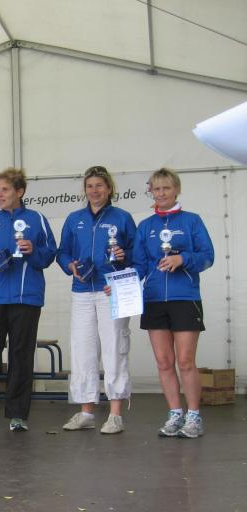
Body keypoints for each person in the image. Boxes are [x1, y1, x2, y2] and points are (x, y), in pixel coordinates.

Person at [0, 168, 56, 433]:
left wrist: (33, 250)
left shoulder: (37, 219)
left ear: (20, 191)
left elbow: (50, 254)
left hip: (27, 298)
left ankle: (18, 415)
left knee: (21, 354)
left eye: (4, 189)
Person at [133, 168, 214, 439]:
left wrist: (183, 259)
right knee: (164, 361)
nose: (161, 193)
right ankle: (175, 413)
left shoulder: (192, 221)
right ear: (151, 192)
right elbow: (139, 265)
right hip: (154, 299)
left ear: (176, 189)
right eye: (156, 189)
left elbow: (208, 256)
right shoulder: (145, 226)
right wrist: (121, 285)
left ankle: (194, 416)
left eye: (166, 188)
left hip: (185, 298)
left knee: (186, 361)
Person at [57, 166, 137, 434]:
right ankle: (86, 412)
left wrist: (123, 256)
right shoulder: (74, 219)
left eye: (99, 186)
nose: (94, 191)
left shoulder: (122, 218)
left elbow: (137, 255)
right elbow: (62, 252)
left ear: (109, 188)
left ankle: (115, 415)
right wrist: (70, 265)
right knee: (82, 350)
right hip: (81, 291)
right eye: (90, 186)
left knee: (115, 349)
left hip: (111, 290)